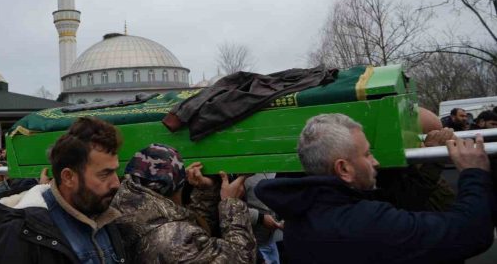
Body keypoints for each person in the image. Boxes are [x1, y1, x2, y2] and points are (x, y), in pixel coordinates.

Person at [255, 113, 495, 264]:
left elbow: (395, 203)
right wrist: (474, 172)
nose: (376, 162)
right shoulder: (364, 223)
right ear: (344, 169)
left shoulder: (301, 215)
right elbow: (471, 232)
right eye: (367, 154)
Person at [0, 116, 128, 263]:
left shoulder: (106, 215)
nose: (115, 183)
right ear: (68, 177)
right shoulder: (21, 233)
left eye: (115, 172)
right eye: (104, 174)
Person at [112, 143, 256, 263]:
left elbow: (192, 233)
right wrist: (232, 204)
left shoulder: (122, 211)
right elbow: (242, 258)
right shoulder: (173, 239)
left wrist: (205, 192)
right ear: (176, 188)